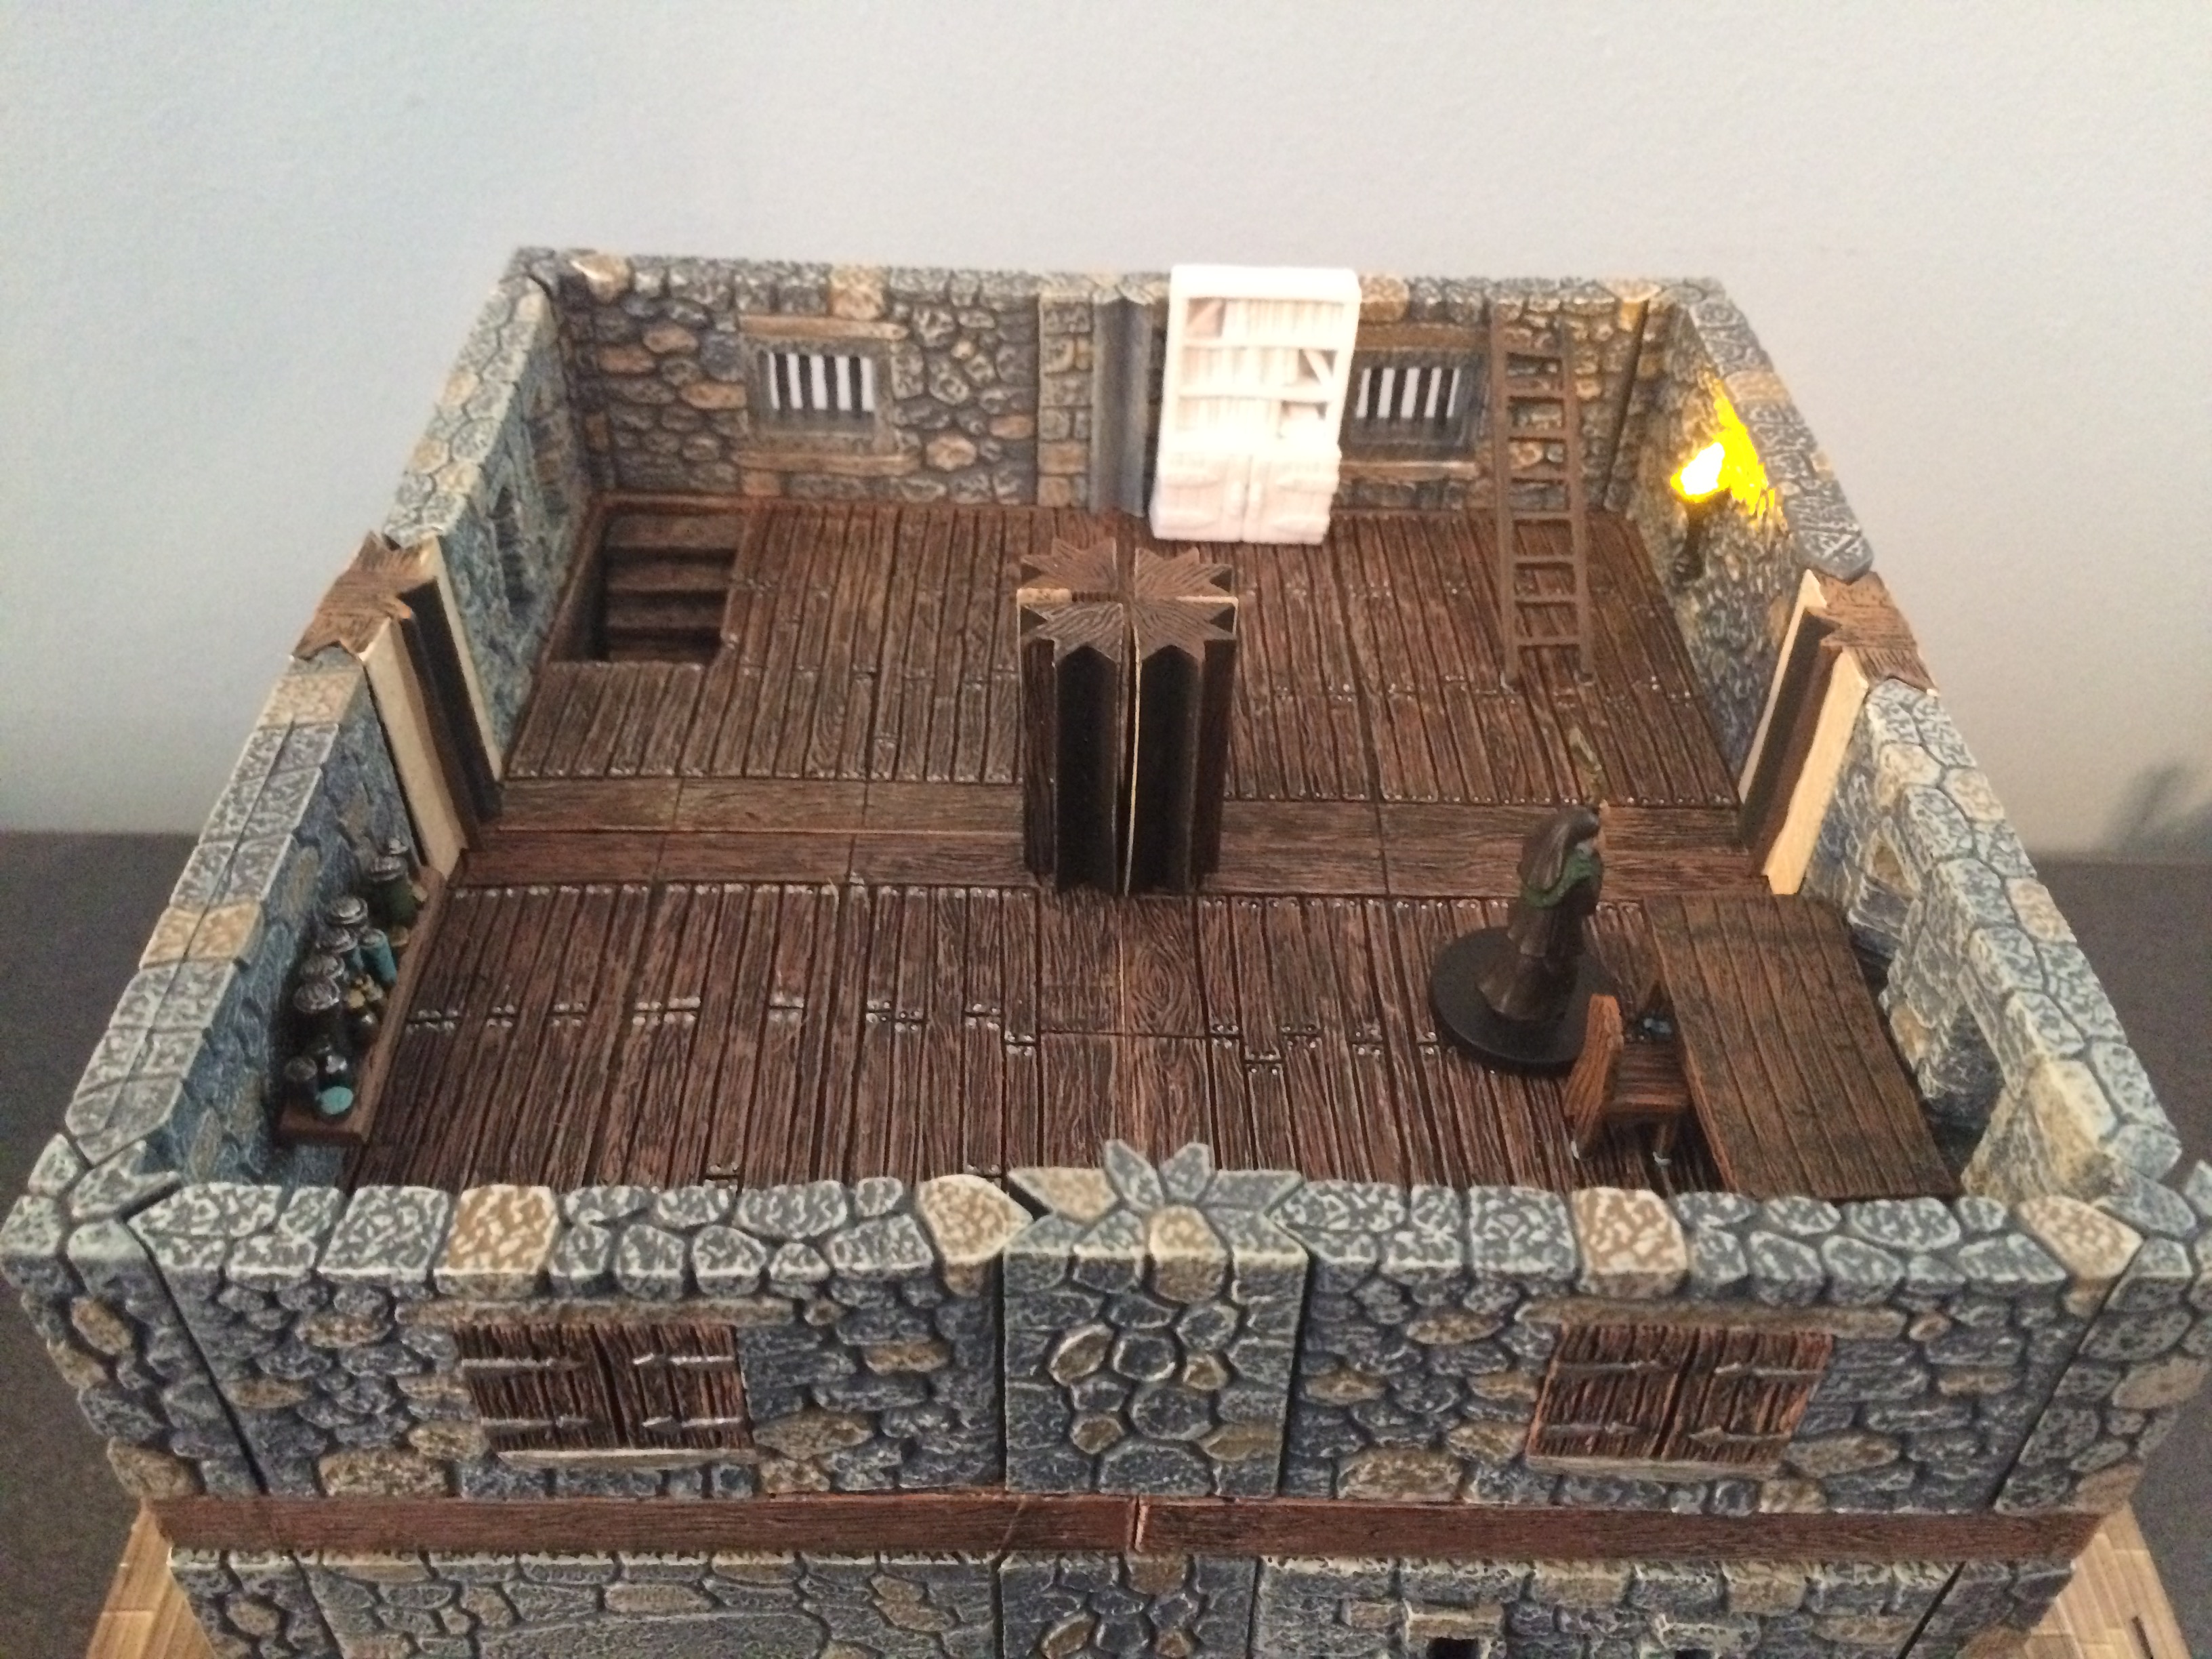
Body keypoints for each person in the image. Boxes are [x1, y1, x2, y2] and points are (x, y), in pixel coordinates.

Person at [1475, 804, 1603, 1027]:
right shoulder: (1580, 873)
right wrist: (1596, 869)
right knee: (1544, 972)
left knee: (1523, 964)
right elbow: (1587, 905)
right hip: (1555, 934)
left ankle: (1510, 998)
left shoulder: (1544, 861)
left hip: (1530, 926)